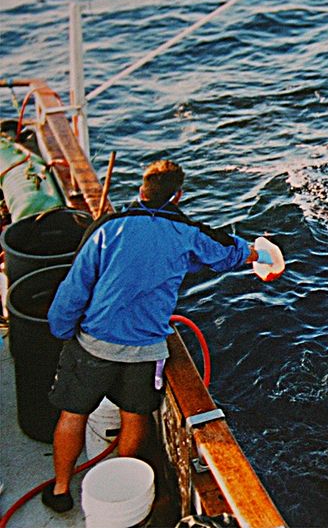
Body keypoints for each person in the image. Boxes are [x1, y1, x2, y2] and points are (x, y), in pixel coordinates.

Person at [42, 159, 265, 512]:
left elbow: (74, 289)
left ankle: (59, 489)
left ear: (141, 191)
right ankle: (115, 478)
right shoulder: (185, 233)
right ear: (178, 196)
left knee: (73, 414)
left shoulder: (107, 229)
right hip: (145, 353)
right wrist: (256, 252)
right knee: (135, 416)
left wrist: (62, 330)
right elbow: (224, 253)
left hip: (93, 346)